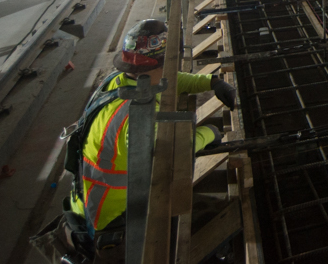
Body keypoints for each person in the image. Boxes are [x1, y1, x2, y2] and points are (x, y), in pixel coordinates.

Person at [31, 20, 236, 264]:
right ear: (168, 59)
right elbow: (171, 155)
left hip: (90, 206)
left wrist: (211, 83)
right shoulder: (135, 117)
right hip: (114, 225)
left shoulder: (117, 81)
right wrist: (209, 134)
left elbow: (169, 80)